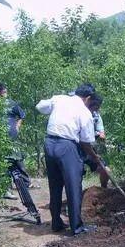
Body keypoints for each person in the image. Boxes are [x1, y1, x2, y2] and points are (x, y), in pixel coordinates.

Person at [36, 84, 104, 235]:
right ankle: (77, 227)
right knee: (73, 187)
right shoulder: (84, 112)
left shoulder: (59, 99)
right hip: (67, 146)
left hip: (49, 144)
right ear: (87, 98)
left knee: (55, 185)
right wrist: (94, 157)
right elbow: (86, 142)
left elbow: (40, 106)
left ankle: (56, 223)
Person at [0, 83, 41, 224]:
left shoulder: (12, 104)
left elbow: (22, 115)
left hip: (12, 141)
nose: (5, 93)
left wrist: (17, 126)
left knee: (18, 163)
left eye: (6, 91)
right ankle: (4, 189)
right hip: (0, 141)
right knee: (3, 166)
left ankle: (25, 185)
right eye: (3, 91)